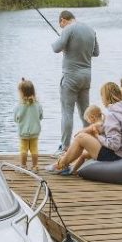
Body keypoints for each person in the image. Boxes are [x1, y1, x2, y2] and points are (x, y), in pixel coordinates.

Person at [49, 81, 122, 175]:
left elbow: (114, 145)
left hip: (118, 156)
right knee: (86, 137)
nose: (102, 100)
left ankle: (61, 165)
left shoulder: (112, 114)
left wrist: (97, 136)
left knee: (81, 138)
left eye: (102, 96)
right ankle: (66, 162)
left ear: (106, 97)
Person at [51, 10, 99, 152]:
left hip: (71, 76)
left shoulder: (68, 29)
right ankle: (89, 145)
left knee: (67, 113)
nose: (62, 27)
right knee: (85, 113)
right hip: (86, 76)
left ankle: (65, 147)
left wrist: (63, 41)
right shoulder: (91, 30)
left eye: (61, 25)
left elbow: (55, 48)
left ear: (63, 20)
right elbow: (96, 53)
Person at [14, 78, 44, 171]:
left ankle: (23, 166)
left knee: (24, 149)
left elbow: (16, 119)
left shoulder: (19, 105)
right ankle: (35, 166)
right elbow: (41, 116)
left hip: (23, 132)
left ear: (21, 93)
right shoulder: (38, 104)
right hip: (35, 132)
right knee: (34, 148)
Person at [68, 104, 103, 174]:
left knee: (82, 155)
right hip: (102, 148)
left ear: (92, 117)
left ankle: (73, 170)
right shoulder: (103, 122)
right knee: (83, 153)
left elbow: (82, 133)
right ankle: (74, 166)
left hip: (101, 151)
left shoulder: (97, 125)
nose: (88, 122)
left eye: (88, 120)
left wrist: (78, 136)